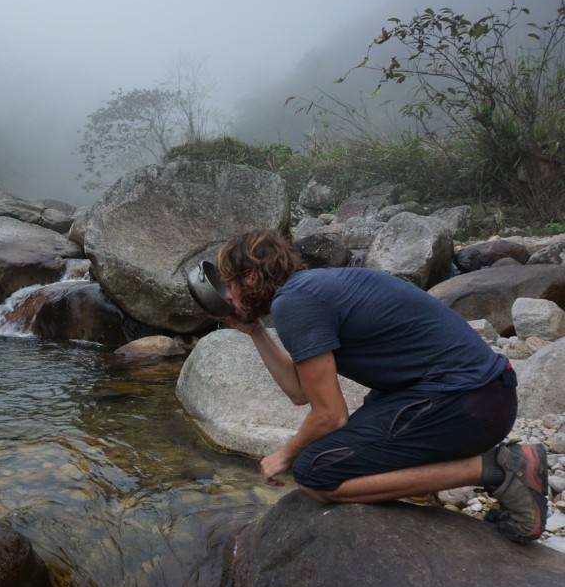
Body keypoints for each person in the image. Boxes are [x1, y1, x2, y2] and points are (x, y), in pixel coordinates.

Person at [214, 228, 549, 543]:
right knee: (332, 453)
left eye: (230, 282)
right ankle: (493, 477)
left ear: (252, 276)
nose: (227, 294)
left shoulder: (295, 302)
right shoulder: (310, 289)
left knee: (315, 473)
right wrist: (255, 330)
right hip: (481, 395)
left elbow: (330, 416)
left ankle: (498, 469)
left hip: (469, 400)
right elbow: (299, 393)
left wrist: (285, 455)